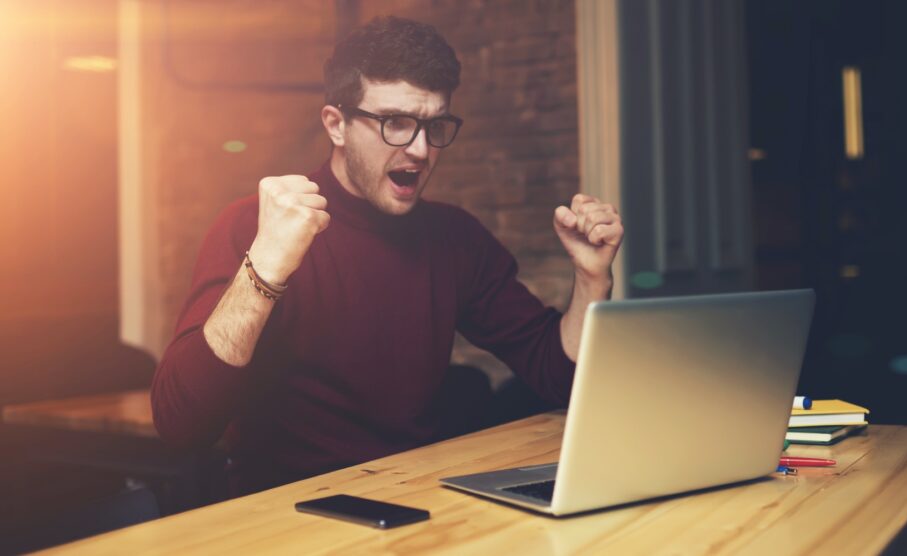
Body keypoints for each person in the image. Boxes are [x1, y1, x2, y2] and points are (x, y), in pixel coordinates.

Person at [151, 16, 624, 496]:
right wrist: (265, 266)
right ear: (337, 125)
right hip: (287, 514)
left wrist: (591, 278)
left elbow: (559, 377)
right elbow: (181, 426)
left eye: (435, 124)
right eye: (395, 123)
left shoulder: (455, 238)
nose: (419, 149)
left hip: (416, 503)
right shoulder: (253, 227)